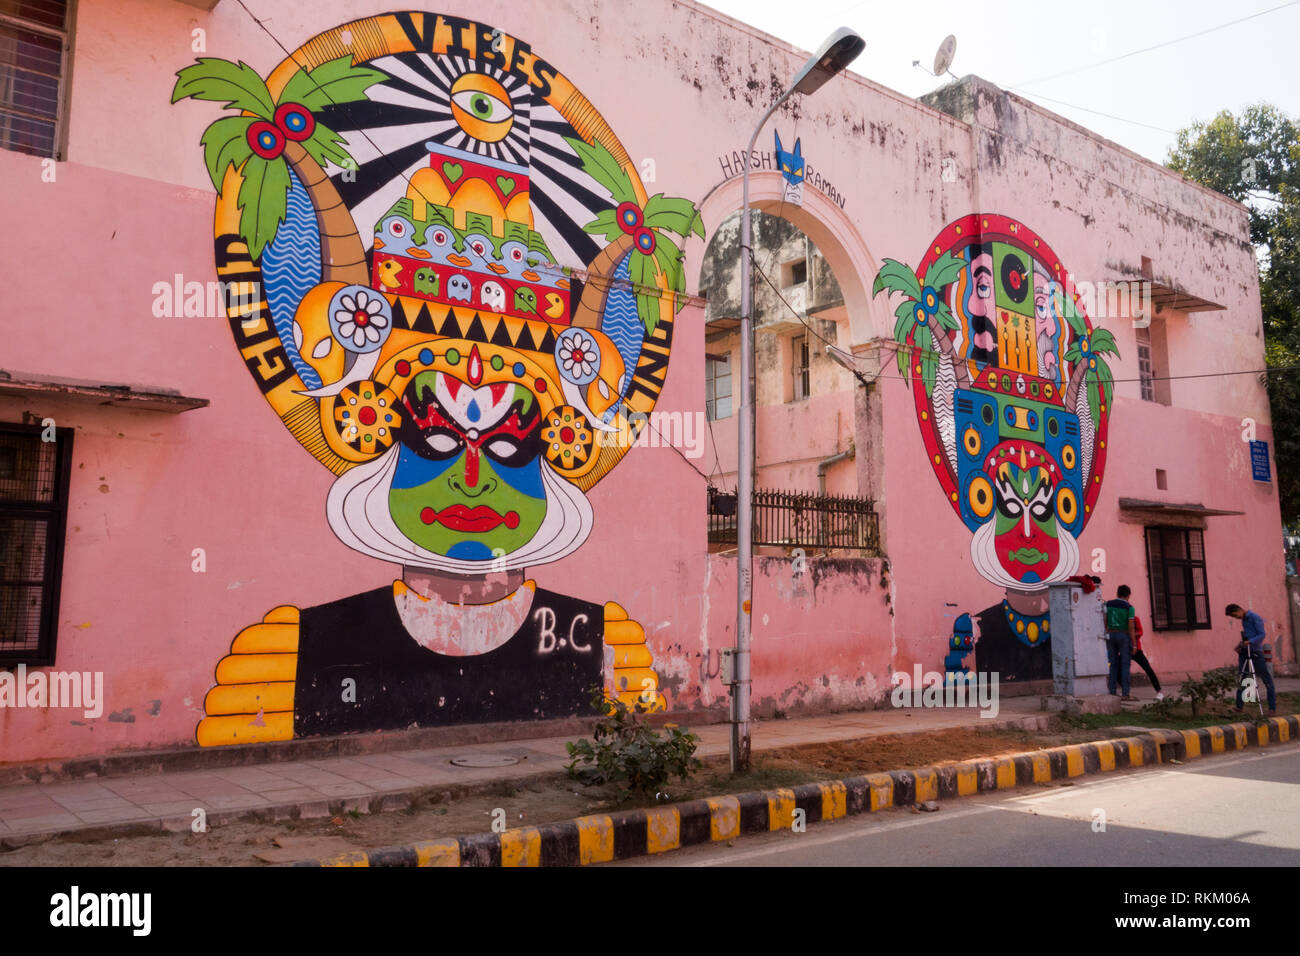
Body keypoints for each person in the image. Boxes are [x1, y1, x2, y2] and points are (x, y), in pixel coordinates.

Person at [1225, 604, 1277, 715]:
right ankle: (1239, 706)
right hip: (1245, 652)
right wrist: (1240, 644)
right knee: (1242, 679)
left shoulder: (1255, 617)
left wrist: (1251, 641)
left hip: (1255, 653)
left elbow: (1262, 634)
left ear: (1239, 610)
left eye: (1235, 615)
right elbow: (1247, 636)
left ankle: (1272, 708)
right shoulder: (1243, 620)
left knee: (1266, 679)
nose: (1236, 618)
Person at [1103, 585, 1138, 700]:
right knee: (1125, 665)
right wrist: (1134, 644)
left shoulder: (1108, 604)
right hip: (1123, 636)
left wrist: (1107, 631)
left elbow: (1105, 620)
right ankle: (1125, 694)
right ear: (1128, 595)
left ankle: (1112, 692)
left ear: (1117, 593)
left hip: (1111, 635)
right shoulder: (1129, 607)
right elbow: (1131, 627)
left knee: (1113, 664)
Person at [1130, 615, 1163, 699]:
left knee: (1148, 669)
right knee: (1119, 669)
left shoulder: (1135, 618)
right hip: (1124, 649)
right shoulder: (1120, 621)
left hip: (1137, 649)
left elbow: (1141, 632)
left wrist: (1132, 634)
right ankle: (1125, 693)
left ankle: (1159, 691)